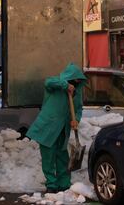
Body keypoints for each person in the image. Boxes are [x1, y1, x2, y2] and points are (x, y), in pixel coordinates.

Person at [26, 63, 86, 193]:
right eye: (75, 80)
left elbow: (79, 108)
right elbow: (48, 82)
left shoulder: (78, 91)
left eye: (79, 81)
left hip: (63, 128)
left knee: (62, 156)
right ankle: (51, 185)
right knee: (48, 157)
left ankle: (64, 184)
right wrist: (65, 85)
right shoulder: (55, 85)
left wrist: (76, 119)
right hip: (48, 127)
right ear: (69, 78)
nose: (77, 83)